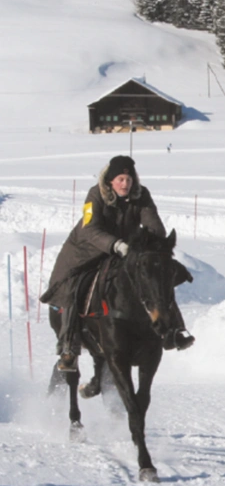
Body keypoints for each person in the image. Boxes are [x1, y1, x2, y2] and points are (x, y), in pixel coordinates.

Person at [41, 155, 195, 372]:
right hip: (86, 252)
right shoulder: (94, 195)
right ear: (110, 181)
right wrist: (116, 245)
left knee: (157, 279)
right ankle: (69, 346)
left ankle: (175, 330)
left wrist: (151, 246)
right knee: (73, 288)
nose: (125, 184)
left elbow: (155, 226)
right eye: (120, 179)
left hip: (125, 252)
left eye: (129, 179)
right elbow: (89, 229)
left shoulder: (142, 195)